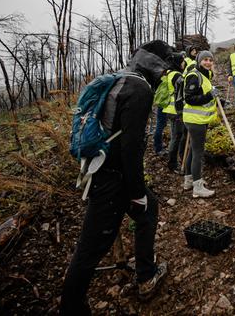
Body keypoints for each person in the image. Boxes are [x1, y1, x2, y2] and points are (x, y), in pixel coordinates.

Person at [60, 40, 170, 314]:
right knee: (90, 249)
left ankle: (146, 275)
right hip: (112, 179)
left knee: (149, 211)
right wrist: (137, 192)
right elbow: (130, 148)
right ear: (155, 65)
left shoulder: (122, 78)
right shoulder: (140, 89)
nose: (166, 73)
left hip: (103, 169)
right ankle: (71, 308)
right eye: (165, 66)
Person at [182, 50, 218, 198]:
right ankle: (198, 186)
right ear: (199, 61)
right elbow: (190, 98)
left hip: (199, 120)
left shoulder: (203, 75)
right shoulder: (194, 75)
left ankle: (188, 180)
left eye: (210, 60)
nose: (208, 62)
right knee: (198, 152)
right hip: (195, 120)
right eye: (205, 60)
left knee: (193, 150)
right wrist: (209, 95)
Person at [162, 52, 186, 172]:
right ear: (177, 62)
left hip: (169, 109)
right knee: (177, 137)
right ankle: (173, 164)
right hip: (177, 110)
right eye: (182, 61)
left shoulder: (169, 73)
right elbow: (183, 94)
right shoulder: (177, 76)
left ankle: (175, 161)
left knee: (175, 136)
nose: (184, 63)